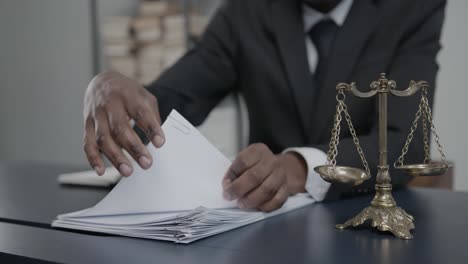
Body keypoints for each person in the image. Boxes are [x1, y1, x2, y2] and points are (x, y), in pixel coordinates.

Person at [82, 0, 446, 212]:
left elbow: (406, 144)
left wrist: (298, 166)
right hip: (262, 224)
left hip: (368, 219)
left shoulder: (412, 8)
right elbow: (174, 101)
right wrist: (113, 90)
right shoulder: (247, 11)